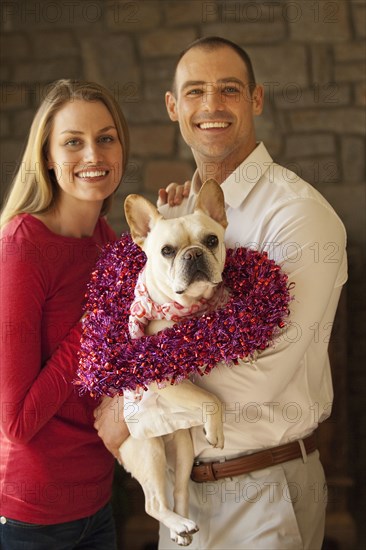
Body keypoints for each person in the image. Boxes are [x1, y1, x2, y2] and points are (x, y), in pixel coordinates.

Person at [94, 37, 348, 549]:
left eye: (228, 90)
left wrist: (131, 406)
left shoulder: (298, 215)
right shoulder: (179, 214)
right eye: (194, 92)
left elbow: (260, 379)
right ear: (174, 107)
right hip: (183, 491)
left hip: (263, 489)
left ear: (256, 99)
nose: (210, 106)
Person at [0, 79, 130, 550]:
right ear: (49, 157)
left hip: (97, 505)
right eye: (73, 142)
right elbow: (15, 422)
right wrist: (94, 325)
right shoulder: (23, 246)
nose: (93, 155)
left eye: (106, 138)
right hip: (32, 520)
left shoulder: (108, 242)